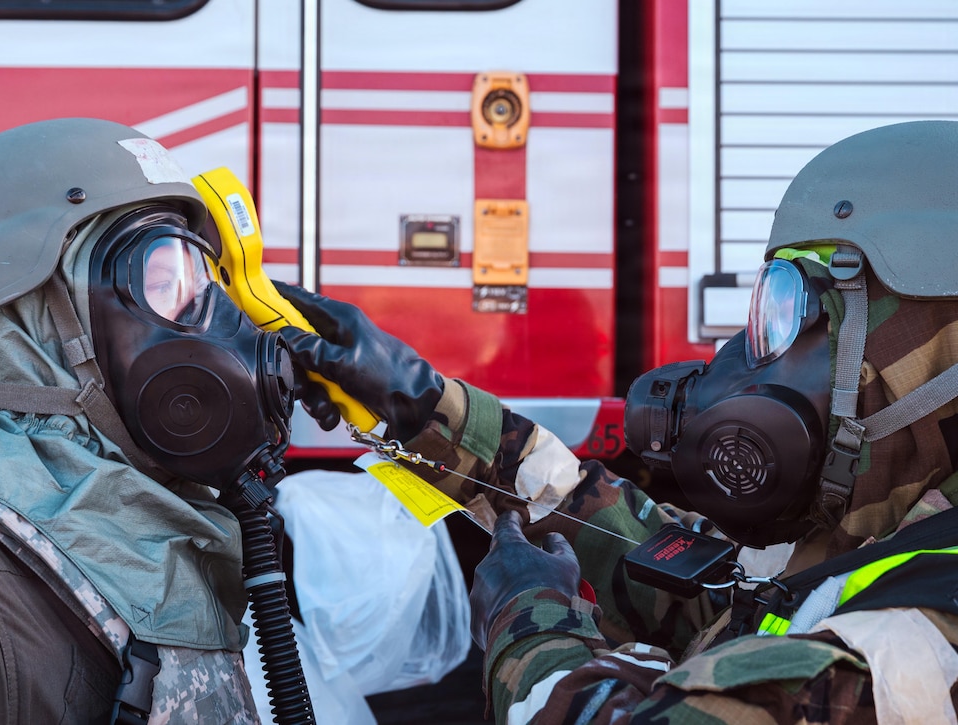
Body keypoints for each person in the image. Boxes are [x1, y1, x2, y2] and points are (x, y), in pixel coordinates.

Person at [274, 120, 958, 723]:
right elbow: (696, 585)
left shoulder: (907, 644)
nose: (765, 354)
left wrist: (530, 620)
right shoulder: (881, 541)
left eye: (804, 313)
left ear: (927, 355)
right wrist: (419, 405)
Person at [0, 118, 306, 723]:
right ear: (27, 335)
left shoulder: (158, 524)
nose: (211, 325)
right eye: (158, 284)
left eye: (195, 281)